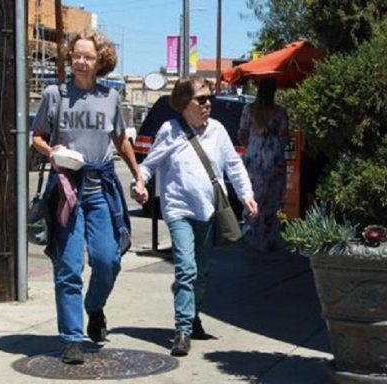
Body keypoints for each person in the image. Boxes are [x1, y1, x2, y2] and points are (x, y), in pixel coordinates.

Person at [31, 28, 147, 365]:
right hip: (67, 188)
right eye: (76, 55)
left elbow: (122, 139)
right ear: (70, 58)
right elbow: (37, 136)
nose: (81, 62)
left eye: (88, 57)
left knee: (108, 260)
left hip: (100, 189)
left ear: (100, 62)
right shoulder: (55, 94)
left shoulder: (110, 98)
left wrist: (139, 175)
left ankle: (94, 307)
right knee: (68, 265)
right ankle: (71, 337)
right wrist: (51, 150)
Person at [136, 75, 258, 356]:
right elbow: (150, 163)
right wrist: (140, 182)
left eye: (210, 98)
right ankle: (182, 330)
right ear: (183, 103)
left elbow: (233, 167)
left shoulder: (217, 130)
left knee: (201, 272)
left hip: (207, 210)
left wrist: (246, 195)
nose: (208, 104)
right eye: (201, 99)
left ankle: (192, 315)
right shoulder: (170, 130)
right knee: (186, 268)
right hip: (178, 209)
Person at [238, 77, 290, 252]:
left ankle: (250, 233)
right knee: (271, 198)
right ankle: (267, 238)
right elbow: (284, 135)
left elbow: (242, 133)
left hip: (253, 153)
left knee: (252, 195)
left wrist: (253, 145)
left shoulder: (249, 109)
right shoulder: (279, 112)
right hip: (273, 155)